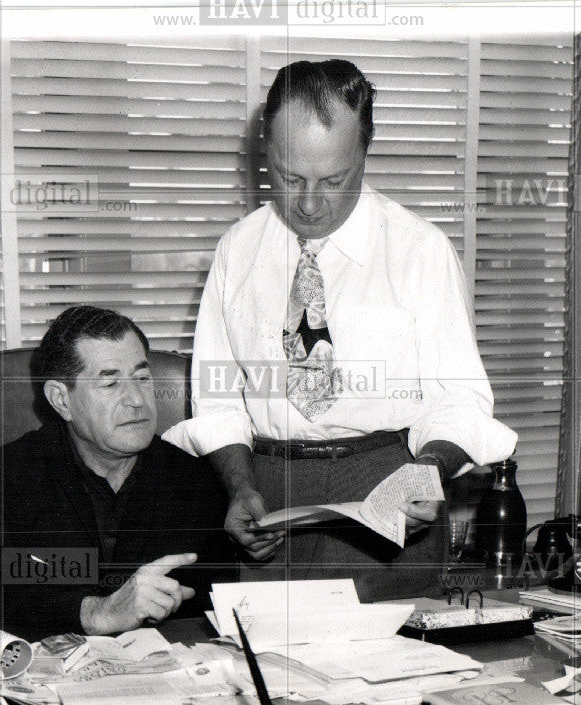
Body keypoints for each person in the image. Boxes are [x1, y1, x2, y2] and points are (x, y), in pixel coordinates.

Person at [162, 60, 518, 602]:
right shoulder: (237, 249)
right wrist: (239, 488)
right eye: (288, 177)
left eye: (333, 180)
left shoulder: (419, 250)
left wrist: (423, 476)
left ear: (364, 154)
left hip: (387, 493)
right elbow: (217, 397)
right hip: (270, 496)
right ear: (265, 152)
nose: (308, 203)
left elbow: (460, 401)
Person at [0, 305, 235, 642]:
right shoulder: (4, 477)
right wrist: (96, 612)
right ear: (61, 400)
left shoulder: (193, 480)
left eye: (142, 378)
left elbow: (216, 604)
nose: (137, 400)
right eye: (110, 384)